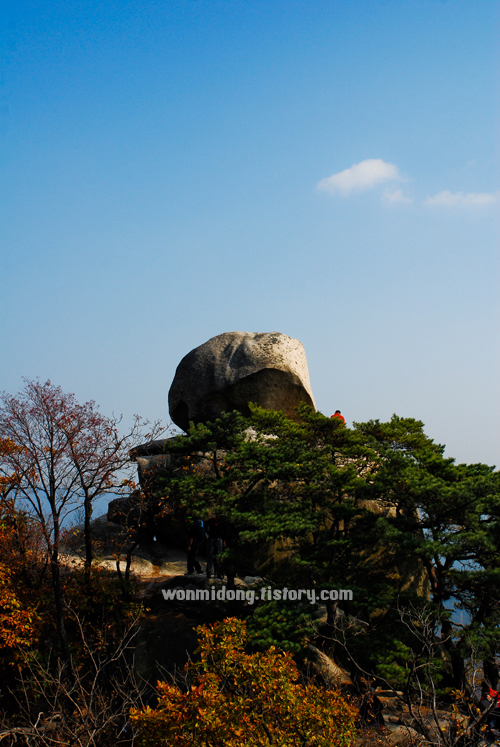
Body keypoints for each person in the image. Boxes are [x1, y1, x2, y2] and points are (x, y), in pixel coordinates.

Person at [205, 515, 225, 579]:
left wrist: (224, 540)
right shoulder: (211, 520)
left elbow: (224, 531)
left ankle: (218, 573)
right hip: (212, 538)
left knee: (218, 556)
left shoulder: (222, 522)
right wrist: (208, 533)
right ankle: (209, 572)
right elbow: (205, 526)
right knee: (210, 556)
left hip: (219, 539)